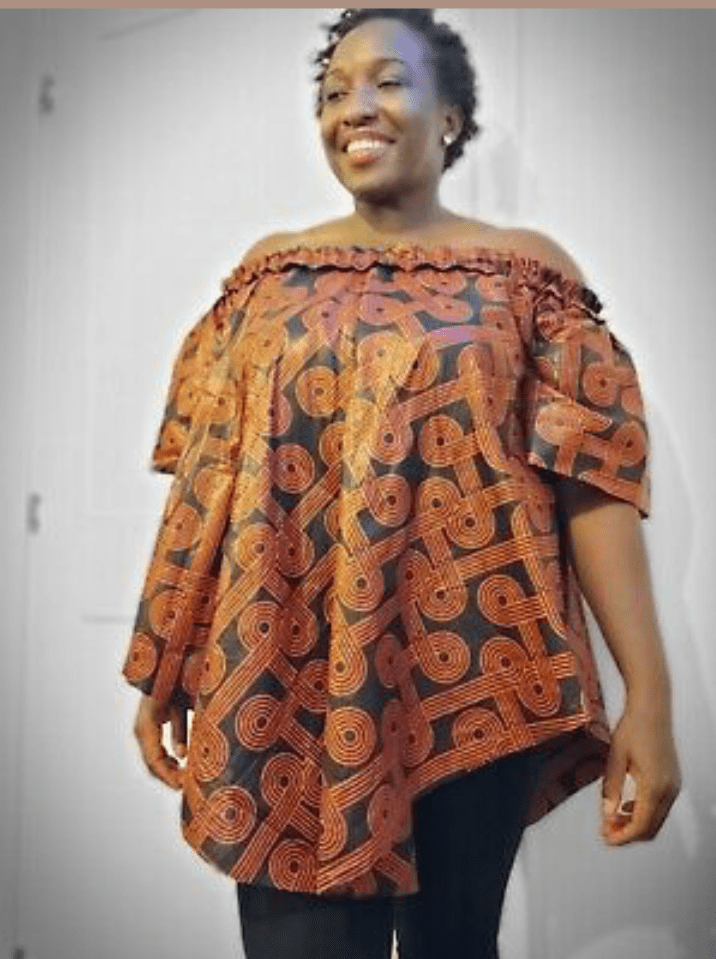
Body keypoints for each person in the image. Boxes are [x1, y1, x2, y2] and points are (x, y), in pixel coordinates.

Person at [123, 9, 682, 959]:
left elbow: (592, 481)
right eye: (334, 91)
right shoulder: (266, 278)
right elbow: (208, 483)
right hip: (279, 674)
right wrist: (169, 656)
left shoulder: (528, 276)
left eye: (388, 81)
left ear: (452, 116)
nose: (355, 107)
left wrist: (650, 697)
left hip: (477, 674)